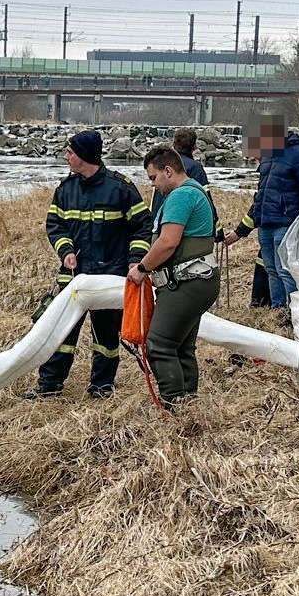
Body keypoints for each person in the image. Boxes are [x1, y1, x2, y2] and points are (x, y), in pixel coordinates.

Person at [30, 130, 150, 399]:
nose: (66, 156)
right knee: (60, 333)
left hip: (109, 276)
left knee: (106, 337)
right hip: (73, 275)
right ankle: (49, 386)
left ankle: (102, 387)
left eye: (70, 152)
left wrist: (134, 261)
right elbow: (55, 225)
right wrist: (65, 251)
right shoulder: (65, 189)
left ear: (84, 156)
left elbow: (143, 227)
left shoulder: (121, 188)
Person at [131, 147, 221, 406]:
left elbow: (168, 242)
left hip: (187, 283)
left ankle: (174, 405)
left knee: (159, 344)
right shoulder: (195, 190)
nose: (153, 185)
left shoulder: (181, 196)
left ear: (168, 171)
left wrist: (142, 269)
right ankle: (189, 404)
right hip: (199, 281)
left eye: (154, 178)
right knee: (181, 347)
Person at [222, 113, 299, 317]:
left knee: (285, 271)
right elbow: (261, 198)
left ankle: (293, 314)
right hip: (266, 224)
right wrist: (240, 231)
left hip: (287, 224)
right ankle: (278, 310)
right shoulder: (268, 157)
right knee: (272, 270)